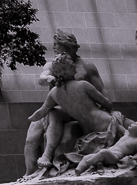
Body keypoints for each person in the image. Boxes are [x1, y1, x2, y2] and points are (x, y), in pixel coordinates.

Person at [23, 30, 107, 175]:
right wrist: (50, 79)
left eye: (56, 44)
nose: (53, 47)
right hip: (54, 107)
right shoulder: (53, 65)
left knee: (54, 115)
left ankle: (47, 155)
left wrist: (101, 114)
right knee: (31, 139)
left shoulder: (86, 66)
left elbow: (103, 93)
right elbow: (42, 78)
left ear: (66, 46)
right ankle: (29, 173)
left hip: (79, 111)